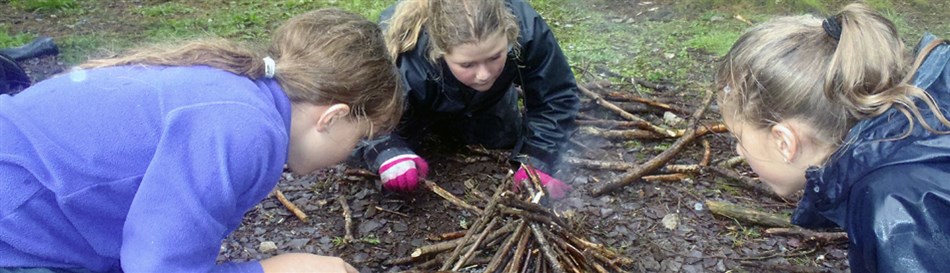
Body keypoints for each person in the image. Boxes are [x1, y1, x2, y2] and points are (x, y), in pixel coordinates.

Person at [0, 8, 402, 273]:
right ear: (333, 117)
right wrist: (274, 269)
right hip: (16, 235)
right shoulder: (247, 131)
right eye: (360, 138)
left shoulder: (240, 92)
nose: (351, 154)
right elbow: (159, 267)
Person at [716, 3, 950, 272]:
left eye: (739, 137)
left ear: (784, 143)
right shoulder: (913, 141)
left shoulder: (895, 210)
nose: (739, 151)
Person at [358, 0, 580, 198]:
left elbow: (556, 95)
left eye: (495, 57)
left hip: (487, 100)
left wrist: (537, 158)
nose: (484, 74)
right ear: (439, 51)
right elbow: (360, 114)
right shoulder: (405, 59)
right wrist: (387, 150)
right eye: (467, 64)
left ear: (510, 37)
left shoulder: (526, 27)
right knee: (409, 155)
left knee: (502, 136)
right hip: (416, 102)